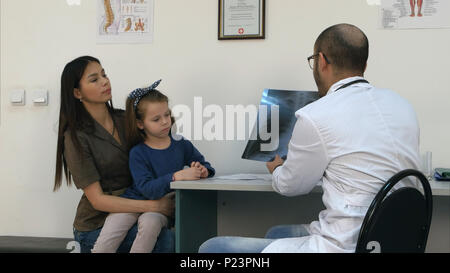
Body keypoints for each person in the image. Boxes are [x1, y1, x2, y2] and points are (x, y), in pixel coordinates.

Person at [199, 23, 421, 253]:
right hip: (392, 240)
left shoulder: (316, 114)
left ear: (321, 61)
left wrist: (276, 169)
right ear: (364, 64)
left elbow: (290, 186)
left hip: (347, 245)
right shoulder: (402, 106)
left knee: (212, 248)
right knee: (277, 233)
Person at [54, 56, 175, 253]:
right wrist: (155, 206)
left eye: (104, 74)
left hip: (139, 208)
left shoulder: (125, 119)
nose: (104, 81)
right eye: (94, 79)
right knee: (165, 241)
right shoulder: (76, 137)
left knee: (172, 234)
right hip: (97, 224)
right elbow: (98, 200)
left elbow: (159, 149)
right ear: (77, 92)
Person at [91, 80, 216, 252]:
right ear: (140, 124)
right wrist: (175, 176)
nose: (165, 122)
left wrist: (203, 171)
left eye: (167, 115)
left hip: (161, 208)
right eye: (156, 119)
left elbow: (207, 166)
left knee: (150, 222)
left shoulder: (181, 144)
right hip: (134, 201)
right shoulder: (138, 153)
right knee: (109, 235)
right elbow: (147, 189)